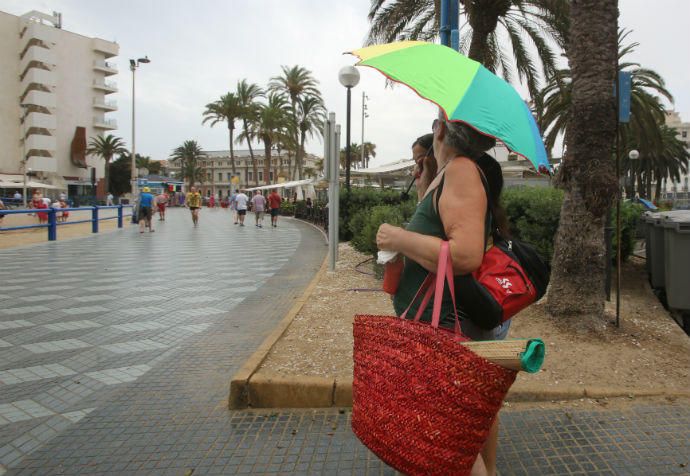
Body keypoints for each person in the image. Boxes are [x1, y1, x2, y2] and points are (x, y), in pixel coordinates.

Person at [376, 118, 507, 476]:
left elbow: (464, 255)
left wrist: (397, 238)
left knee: (449, 446)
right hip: (442, 322)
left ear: (439, 130)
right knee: (459, 434)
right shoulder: (449, 172)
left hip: (444, 327)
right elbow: (439, 231)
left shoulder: (462, 170)